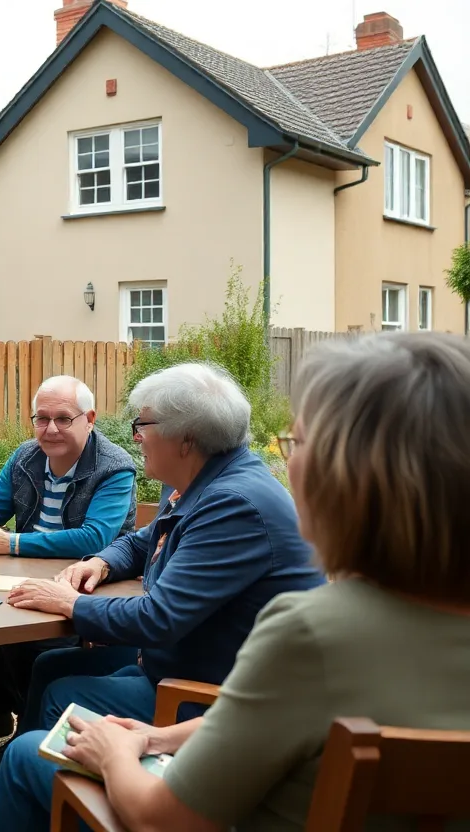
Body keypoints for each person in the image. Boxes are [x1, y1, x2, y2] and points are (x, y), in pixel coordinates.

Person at [59, 333, 470, 831]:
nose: (287, 468)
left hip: (187, 729)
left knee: (24, 761)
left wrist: (117, 753)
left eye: (296, 443)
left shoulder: (312, 634)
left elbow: (161, 821)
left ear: (351, 478)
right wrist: (161, 738)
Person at [0, 362, 325, 826]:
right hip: (182, 662)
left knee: (62, 695)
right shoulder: (200, 480)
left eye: (143, 423)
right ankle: (46, 794)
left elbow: (159, 619)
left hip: (203, 691)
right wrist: (102, 561)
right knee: (52, 664)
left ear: (186, 438)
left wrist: (72, 605)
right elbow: (143, 541)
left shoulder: (234, 504)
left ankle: (57, 788)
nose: (136, 435)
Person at [0, 376, 137, 777]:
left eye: (63, 419)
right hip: (25, 574)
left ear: (90, 419)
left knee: (27, 641)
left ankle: (25, 734)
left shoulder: (114, 467)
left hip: (88, 581)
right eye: (42, 418)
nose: (51, 429)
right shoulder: (25, 458)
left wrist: (10, 543)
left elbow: (95, 536)